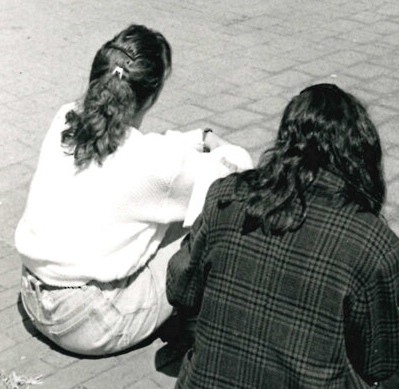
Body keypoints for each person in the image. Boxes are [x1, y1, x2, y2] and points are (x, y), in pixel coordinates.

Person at [165, 83, 399, 389]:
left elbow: (179, 288)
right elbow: (380, 362)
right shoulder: (373, 244)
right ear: (361, 158)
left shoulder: (227, 196)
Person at [14, 25, 252, 356]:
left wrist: (194, 138)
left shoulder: (65, 118)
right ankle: (207, 329)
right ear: (152, 96)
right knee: (217, 219)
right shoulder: (154, 164)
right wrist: (214, 141)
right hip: (88, 321)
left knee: (157, 212)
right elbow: (238, 174)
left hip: (33, 295)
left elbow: (144, 151)